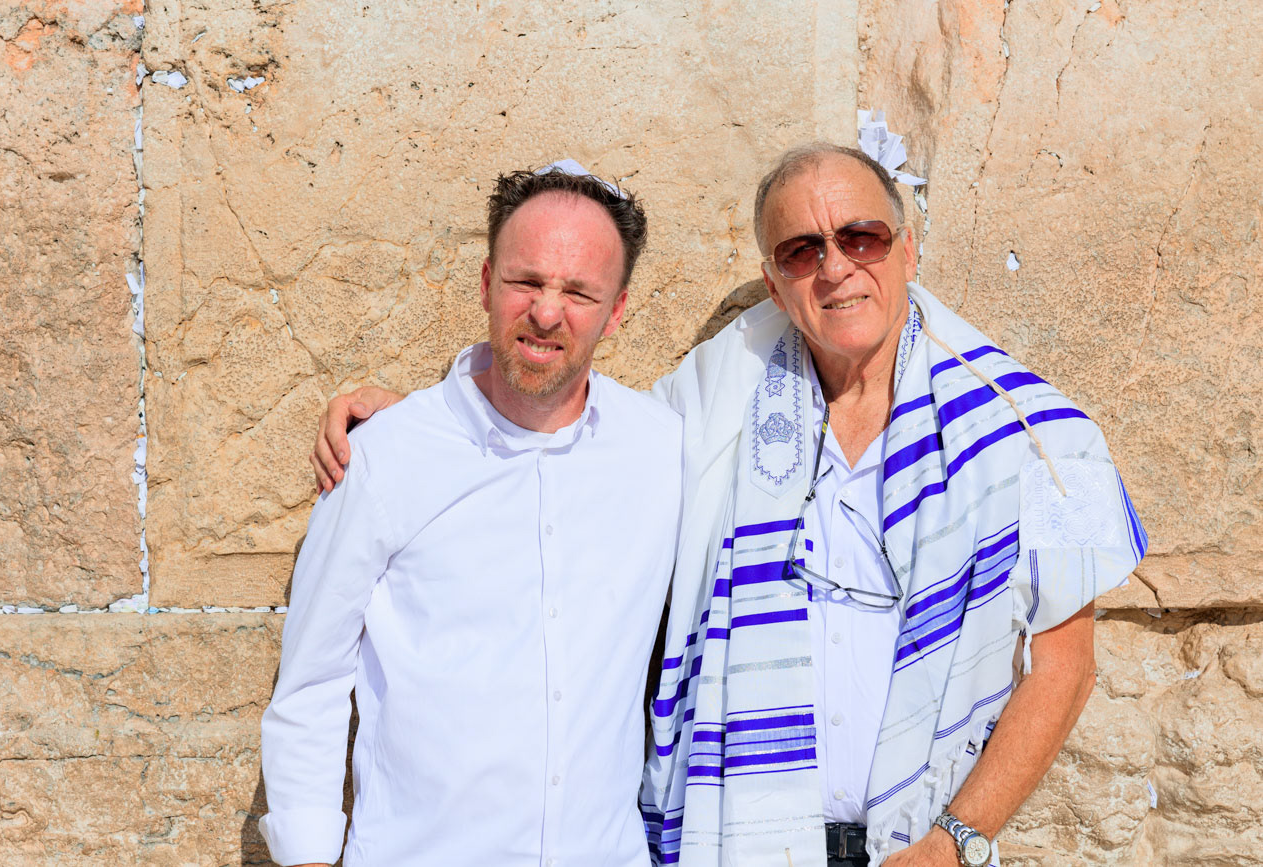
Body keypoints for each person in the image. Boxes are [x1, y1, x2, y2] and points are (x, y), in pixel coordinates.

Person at [313, 144, 1147, 867]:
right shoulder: (715, 394)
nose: (835, 267)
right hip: (741, 841)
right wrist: (432, 417)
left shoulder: (1040, 436)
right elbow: (574, 432)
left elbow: (1066, 665)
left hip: (924, 848)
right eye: (801, 249)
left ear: (908, 248)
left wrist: (955, 839)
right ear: (774, 282)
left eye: (861, 236)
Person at [259, 163, 683, 867]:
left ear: (616, 311)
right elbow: (312, 683)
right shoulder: (385, 456)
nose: (546, 312)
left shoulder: (663, 449)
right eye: (526, 282)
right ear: (487, 283)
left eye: (578, 292)